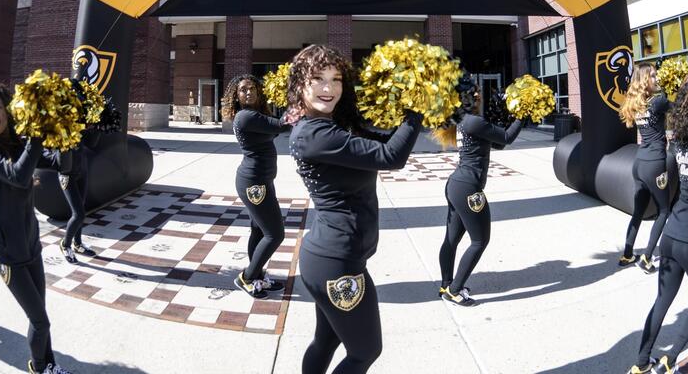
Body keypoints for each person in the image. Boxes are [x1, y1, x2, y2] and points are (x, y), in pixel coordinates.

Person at [287, 45, 424, 374]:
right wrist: (419, 109)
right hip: (338, 265)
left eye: (336, 80)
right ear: (299, 86)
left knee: (327, 340)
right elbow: (392, 158)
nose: (328, 88)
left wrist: (401, 101)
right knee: (365, 352)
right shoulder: (316, 134)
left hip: (328, 258)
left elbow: (383, 143)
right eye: (317, 78)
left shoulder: (330, 127)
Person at [0, 83, 73, 374]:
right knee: (41, 321)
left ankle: (50, 366)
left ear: (8, 108)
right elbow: (17, 175)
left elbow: (58, 164)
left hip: (31, 245)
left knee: (39, 316)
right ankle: (39, 368)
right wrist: (38, 136)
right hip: (8, 253)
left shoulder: (20, 143)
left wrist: (65, 136)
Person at [629, 73, 688, 374]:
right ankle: (671, 360)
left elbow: (671, 184)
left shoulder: (678, 141)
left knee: (662, 299)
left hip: (670, 236)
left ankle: (641, 363)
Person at [436, 76, 524, 306]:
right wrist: (522, 115)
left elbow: (498, 143)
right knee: (480, 241)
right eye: (473, 92)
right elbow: (507, 138)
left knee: (452, 240)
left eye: (477, 91)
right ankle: (454, 291)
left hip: (456, 186)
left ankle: (446, 284)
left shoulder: (464, 121)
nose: (478, 95)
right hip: (468, 189)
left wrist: (506, 116)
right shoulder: (473, 121)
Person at [220, 74, 289, 298]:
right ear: (236, 96)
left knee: (259, 230)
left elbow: (275, 128)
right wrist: (300, 103)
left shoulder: (255, 115)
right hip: (254, 184)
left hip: (261, 180)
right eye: (243, 90)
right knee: (275, 234)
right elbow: (281, 125)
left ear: (259, 92)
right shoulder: (245, 117)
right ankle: (248, 277)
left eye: (252, 88)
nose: (248, 92)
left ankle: (258, 276)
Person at [618, 63, 671, 273]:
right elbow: (681, 108)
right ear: (644, 80)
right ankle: (647, 258)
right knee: (664, 211)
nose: (656, 79)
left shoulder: (637, 104)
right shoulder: (658, 101)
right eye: (653, 76)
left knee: (638, 211)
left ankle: (628, 254)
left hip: (638, 163)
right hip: (654, 164)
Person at [57, 128, 101, 264]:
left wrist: (97, 126)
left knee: (81, 208)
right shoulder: (59, 122)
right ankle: (65, 244)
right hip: (67, 173)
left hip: (82, 170)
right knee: (79, 214)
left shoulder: (80, 118)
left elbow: (92, 143)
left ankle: (78, 244)